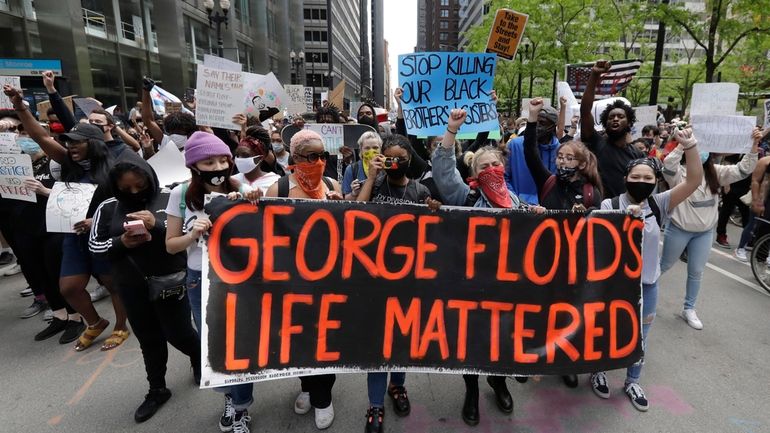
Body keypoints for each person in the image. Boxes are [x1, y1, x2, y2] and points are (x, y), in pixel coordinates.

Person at [4, 84, 132, 351]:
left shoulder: (114, 168)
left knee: (112, 284)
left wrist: (95, 221)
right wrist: (20, 106)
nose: (70, 146)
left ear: (93, 144)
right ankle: (95, 322)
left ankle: (121, 326)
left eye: (77, 142)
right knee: (69, 288)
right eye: (68, 142)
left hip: (102, 235)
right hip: (73, 236)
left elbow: (123, 204)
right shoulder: (68, 163)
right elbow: (40, 137)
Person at [432, 108, 533, 426]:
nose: (490, 168)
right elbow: (443, 171)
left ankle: (498, 382)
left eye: (495, 164)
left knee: (502, 340)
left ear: (504, 168)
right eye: (483, 165)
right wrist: (452, 130)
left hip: (508, 288)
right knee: (471, 342)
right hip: (471, 286)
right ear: (473, 171)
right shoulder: (466, 197)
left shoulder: (517, 202)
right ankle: (472, 390)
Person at [591, 128, 703, 411]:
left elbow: (693, 181)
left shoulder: (660, 203)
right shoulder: (610, 204)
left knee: (640, 336)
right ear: (626, 178)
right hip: (613, 285)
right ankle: (599, 371)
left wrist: (690, 145)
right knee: (607, 330)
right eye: (635, 177)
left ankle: (632, 381)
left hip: (647, 286)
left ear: (655, 182)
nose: (641, 182)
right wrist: (621, 221)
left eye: (647, 178)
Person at [89, 157, 200, 423]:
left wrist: (157, 225)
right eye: (127, 189)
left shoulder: (169, 198)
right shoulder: (108, 207)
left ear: (150, 178)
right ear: (116, 187)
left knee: (180, 333)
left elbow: (188, 236)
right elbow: (95, 246)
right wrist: (122, 242)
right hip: (131, 285)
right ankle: (157, 389)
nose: (136, 193)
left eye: (140, 186)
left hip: (170, 281)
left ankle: (198, 358)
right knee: (149, 339)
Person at [165, 131, 257, 433]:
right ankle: (229, 398)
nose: (218, 167)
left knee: (242, 343)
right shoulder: (180, 195)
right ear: (193, 167)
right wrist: (193, 235)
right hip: (200, 279)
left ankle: (242, 407)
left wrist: (250, 199)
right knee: (215, 344)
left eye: (222, 160)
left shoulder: (240, 186)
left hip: (238, 277)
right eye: (208, 162)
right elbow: (171, 245)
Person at [355, 133, 439, 433]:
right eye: (390, 159)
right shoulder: (375, 184)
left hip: (409, 282)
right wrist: (372, 176)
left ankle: (398, 386)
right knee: (378, 347)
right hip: (374, 280)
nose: (395, 164)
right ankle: (375, 403)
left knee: (402, 341)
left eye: (401, 160)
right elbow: (357, 214)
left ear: (409, 161)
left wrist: (433, 211)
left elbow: (434, 234)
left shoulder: (419, 190)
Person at [265, 130, 342, 431]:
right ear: (295, 158)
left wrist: (341, 206)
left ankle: (324, 398)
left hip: (329, 283)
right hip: (291, 284)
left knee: (324, 341)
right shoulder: (279, 189)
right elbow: (264, 235)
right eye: (312, 156)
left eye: (323, 155)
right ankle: (308, 387)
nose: (319, 161)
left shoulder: (333, 186)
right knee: (298, 341)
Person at [659, 128, 760, 329]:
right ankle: (638, 293)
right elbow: (668, 165)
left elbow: (743, 169)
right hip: (679, 229)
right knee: (663, 266)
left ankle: (689, 308)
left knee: (696, 271)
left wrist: (753, 146)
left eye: (702, 147)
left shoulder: (717, 173)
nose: (699, 152)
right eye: (696, 147)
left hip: (704, 233)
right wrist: (683, 143)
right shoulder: (679, 174)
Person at [523, 98, 603, 211]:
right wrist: (532, 116)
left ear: (582, 164)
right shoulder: (548, 183)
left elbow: (596, 225)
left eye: (569, 158)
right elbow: (530, 153)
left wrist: (586, 214)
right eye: (559, 157)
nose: (562, 161)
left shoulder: (591, 193)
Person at [580, 60, 645, 197]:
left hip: (625, 211)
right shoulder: (596, 142)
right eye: (611, 117)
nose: (615, 119)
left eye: (620, 117)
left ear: (629, 123)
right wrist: (594, 75)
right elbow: (585, 111)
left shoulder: (637, 154)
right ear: (605, 123)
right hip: (598, 210)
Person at [505, 102, 559, 204]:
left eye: (542, 123)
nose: (537, 127)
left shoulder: (561, 152)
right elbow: (504, 177)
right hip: (517, 209)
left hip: (548, 210)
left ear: (552, 126)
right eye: (536, 122)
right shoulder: (515, 145)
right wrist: (514, 200)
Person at [233, 125, 281, 194]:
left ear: (260, 158)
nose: (240, 159)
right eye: (237, 155)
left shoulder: (275, 182)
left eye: (246, 155)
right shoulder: (231, 181)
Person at [342, 131, 381, 200]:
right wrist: (354, 193)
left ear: (380, 149)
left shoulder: (386, 167)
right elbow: (346, 200)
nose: (371, 151)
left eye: (375, 148)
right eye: (367, 148)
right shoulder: (352, 169)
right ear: (361, 150)